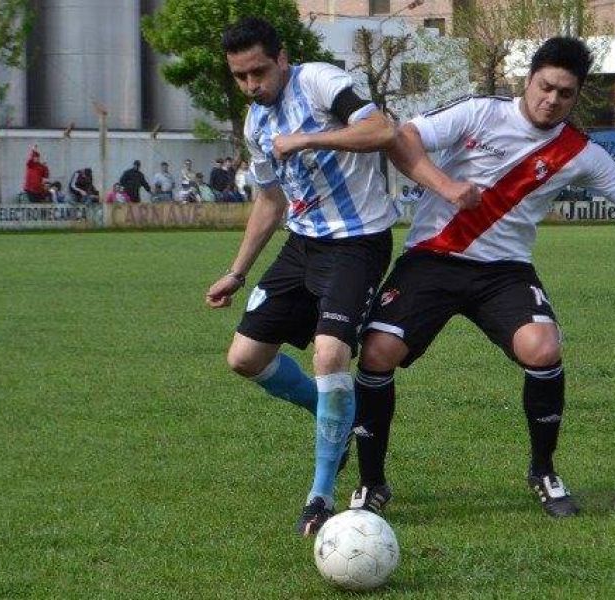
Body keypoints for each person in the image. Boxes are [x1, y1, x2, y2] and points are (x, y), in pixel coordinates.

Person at [348, 37, 615, 519]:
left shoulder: (580, 152)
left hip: (505, 270)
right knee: (377, 353)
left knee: (543, 348)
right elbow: (403, 138)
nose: (551, 100)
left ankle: (543, 470)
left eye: (565, 93)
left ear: (576, 96)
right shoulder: (480, 112)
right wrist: (447, 186)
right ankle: (372, 483)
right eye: (545, 87)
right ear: (528, 80)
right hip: (433, 258)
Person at [204, 16, 405, 536]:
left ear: (283, 58)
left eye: (260, 72)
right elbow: (270, 201)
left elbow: (383, 130)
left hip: (357, 241)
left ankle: (321, 494)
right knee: (244, 359)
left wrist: (309, 139)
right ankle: (338, 420)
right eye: (241, 76)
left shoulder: (319, 81)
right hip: (302, 244)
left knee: (329, 353)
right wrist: (236, 271)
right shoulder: (255, 123)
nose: (252, 86)